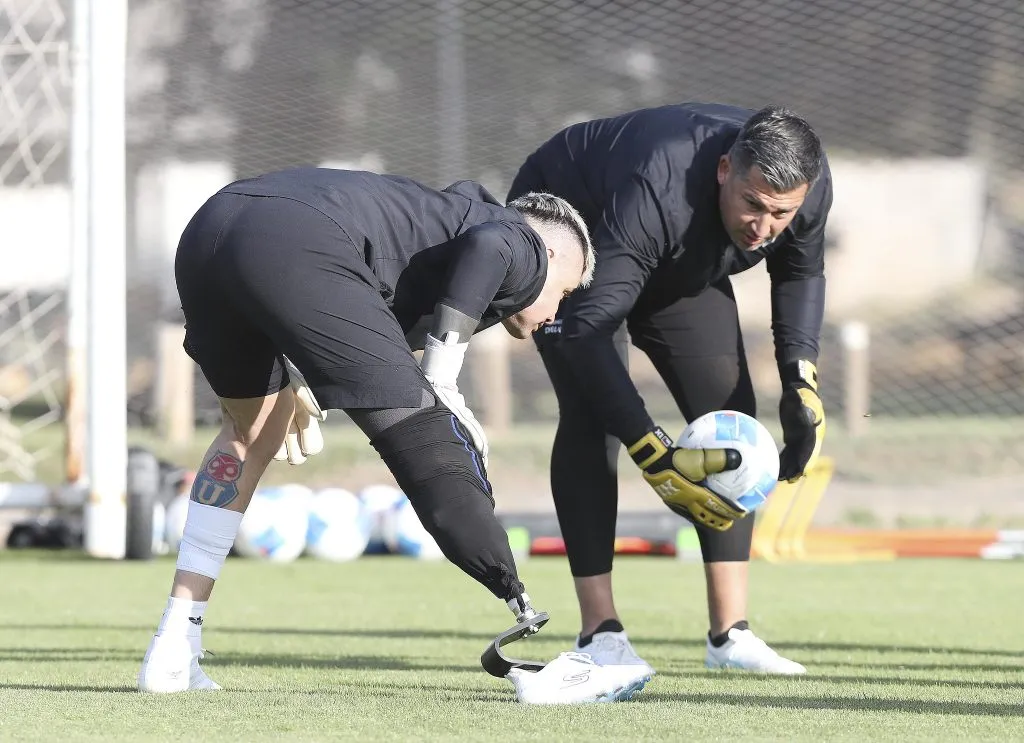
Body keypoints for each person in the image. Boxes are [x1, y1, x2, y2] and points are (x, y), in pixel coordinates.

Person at [136, 166, 737, 702]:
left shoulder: (430, 240)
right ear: (552, 258)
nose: (559, 311)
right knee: (431, 450)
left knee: (249, 437)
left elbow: (329, 289)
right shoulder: (519, 242)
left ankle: (174, 645)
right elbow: (493, 243)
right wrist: (443, 381)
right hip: (298, 238)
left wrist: (293, 371)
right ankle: (520, 605)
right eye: (567, 291)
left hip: (212, 228)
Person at [506, 103, 833, 675]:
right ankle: (600, 634)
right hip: (576, 226)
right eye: (752, 205)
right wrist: (652, 449)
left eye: (780, 213)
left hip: (675, 250)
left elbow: (800, 273)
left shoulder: (809, 185)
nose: (762, 229)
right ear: (725, 169)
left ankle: (729, 636)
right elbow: (585, 332)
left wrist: (800, 380)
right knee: (593, 414)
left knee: (731, 414)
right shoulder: (659, 191)